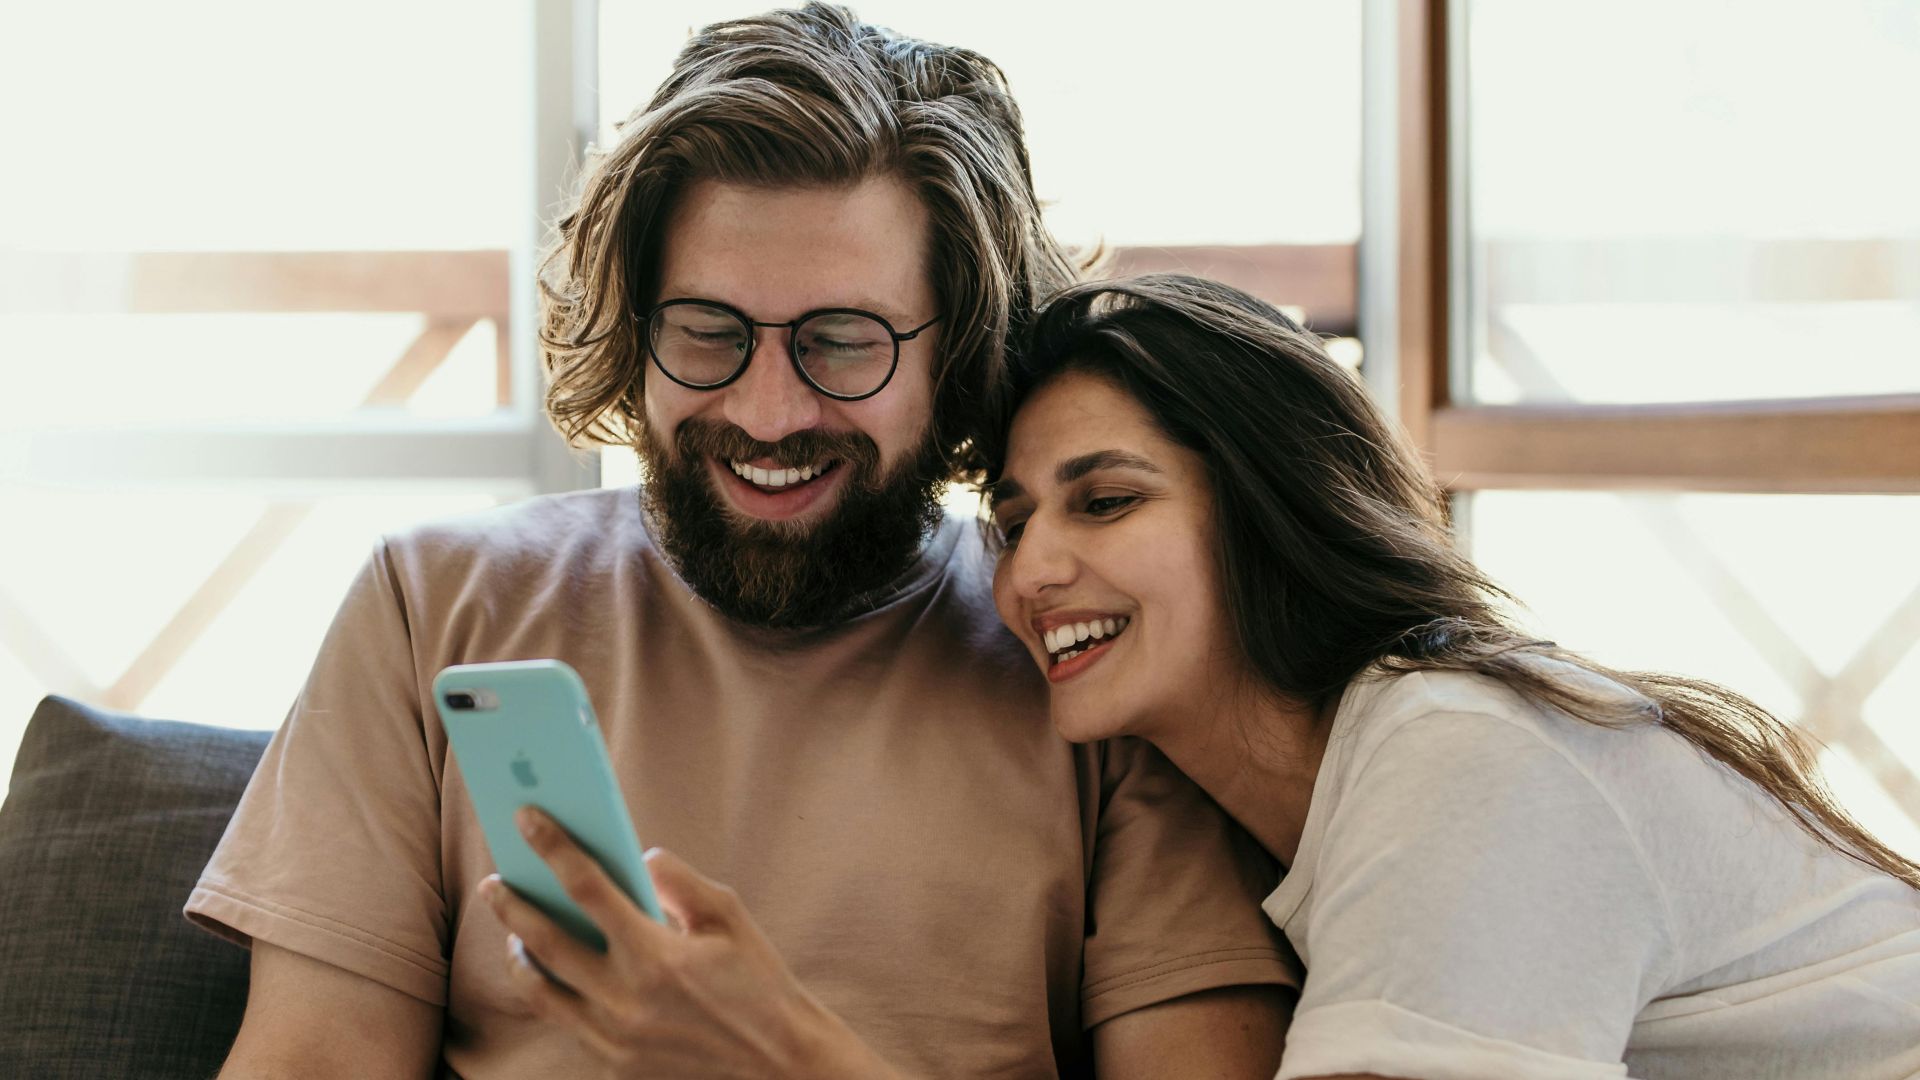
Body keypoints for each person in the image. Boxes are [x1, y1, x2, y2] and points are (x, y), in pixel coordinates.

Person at [184, 10, 1302, 1079]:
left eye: (843, 343)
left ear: (959, 346)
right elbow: (312, 1058)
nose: (769, 413)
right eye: (709, 334)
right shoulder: (431, 604)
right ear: (638, 327)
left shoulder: (1093, 662)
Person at [987, 273, 1920, 1080]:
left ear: (1275, 507)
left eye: (1106, 501)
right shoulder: (1341, 792)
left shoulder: (1461, 752)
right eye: (1014, 523)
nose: (1028, 574)